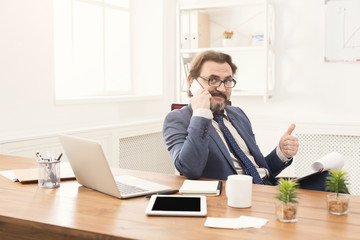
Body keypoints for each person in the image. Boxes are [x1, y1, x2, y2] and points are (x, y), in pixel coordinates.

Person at [163, 50, 328, 190]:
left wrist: (281, 153)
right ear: (192, 82)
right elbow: (191, 169)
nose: (221, 88)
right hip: (235, 194)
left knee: (330, 181)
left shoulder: (237, 114)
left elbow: (260, 169)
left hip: (266, 188)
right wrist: (200, 114)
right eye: (212, 80)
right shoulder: (177, 119)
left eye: (227, 81)